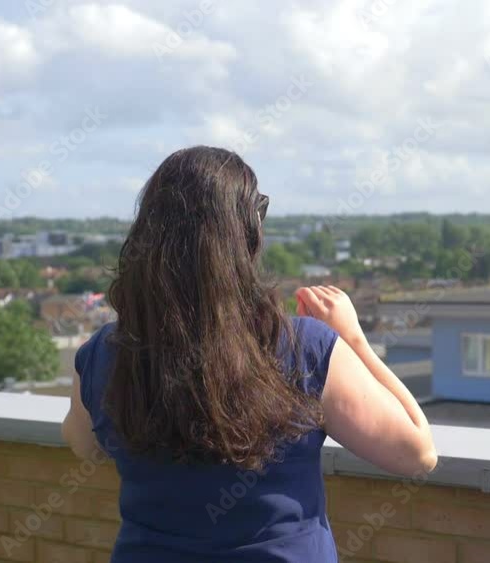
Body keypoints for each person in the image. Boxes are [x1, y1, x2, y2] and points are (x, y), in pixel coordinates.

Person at [62, 146, 437, 562]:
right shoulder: (305, 350)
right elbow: (418, 454)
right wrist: (352, 338)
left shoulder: (104, 354)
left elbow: (83, 443)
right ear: (246, 235)